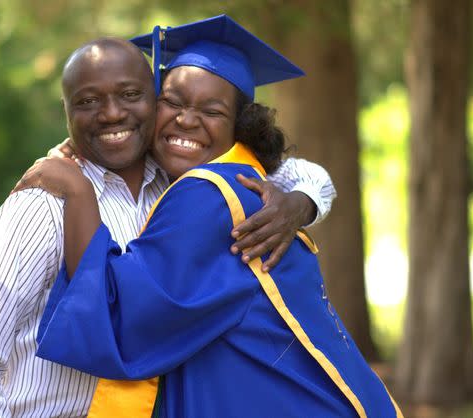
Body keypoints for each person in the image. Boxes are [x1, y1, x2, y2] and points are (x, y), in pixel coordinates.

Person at [0, 36, 337, 417]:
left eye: (130, 95)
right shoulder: (42, 205)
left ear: (150, 99)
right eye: (89, 101)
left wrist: (299, 205)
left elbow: (304, 174)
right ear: (67, 111)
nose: (112, 113)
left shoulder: (180, 183)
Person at [34, 15, 402, 418]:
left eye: (212, 111)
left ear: (239, 128)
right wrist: (301, 200)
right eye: (172, 102)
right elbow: (304, 174)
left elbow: (122, 319)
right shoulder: (245, 181)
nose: (186, 120)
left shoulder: (208, 195)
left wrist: (76, 189)